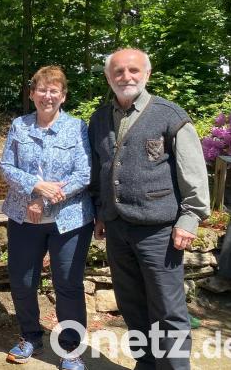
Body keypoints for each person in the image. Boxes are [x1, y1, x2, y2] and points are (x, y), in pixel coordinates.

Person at [89, 48, 210, 370]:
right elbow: (99, 170)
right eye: (118, 72)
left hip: (160, 229)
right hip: (117, 227)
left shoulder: (170, 115)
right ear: (108, 77)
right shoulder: (100, 118)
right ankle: (147, 364)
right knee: (132, 306)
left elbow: (193, 172)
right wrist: (101, 211)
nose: (126, 77)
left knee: (167, 310)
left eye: (133, 70)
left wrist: (190, 218)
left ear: (147, 74)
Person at [0, 66, 94, 370]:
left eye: (54, 90)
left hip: (68, 220)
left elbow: (84, 172)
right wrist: (35, 189)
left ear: (63, 96)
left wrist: (45, 200)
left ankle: (70, 349)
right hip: (23, 217)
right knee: (23, 281)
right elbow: (7, 167)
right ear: (32, 93)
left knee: (67, 283)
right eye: (41, 89)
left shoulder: (77, 127)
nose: (47, 96)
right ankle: (30, 336)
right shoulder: (19, 126)